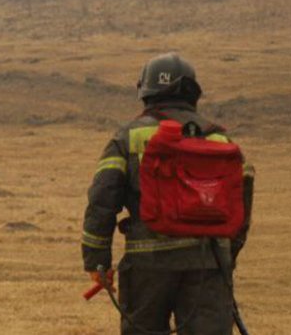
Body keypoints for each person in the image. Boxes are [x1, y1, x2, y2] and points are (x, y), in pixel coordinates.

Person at [82, 53, 255, 334]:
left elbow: (102, 201)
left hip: (147, 266)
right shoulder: (220, 139)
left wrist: (98, 262)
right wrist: (226, 256)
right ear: (192, 94)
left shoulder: (127, 137)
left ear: (146, 93)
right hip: (208, 265)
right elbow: (241, 206)